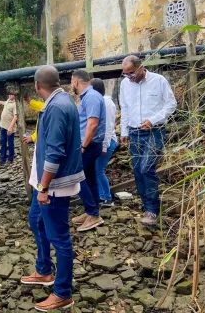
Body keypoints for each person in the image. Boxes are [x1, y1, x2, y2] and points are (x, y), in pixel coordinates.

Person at [21, 65, 84, 311]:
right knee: (35, 221)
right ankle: (44, 270)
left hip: (54, 185)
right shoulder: (58, 101)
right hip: (45, 183)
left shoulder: (57, 107)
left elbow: (56, 151)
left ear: (38, 86)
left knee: (60, 238)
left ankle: (63, 293)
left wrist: (44, 187)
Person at [119, 55, 176, 226]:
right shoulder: (124, 85)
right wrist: (124, 131)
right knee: (137, 171)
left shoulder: (159, 81)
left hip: (154, 131)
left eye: (131, 73)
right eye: (125, 74)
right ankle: (147, 206)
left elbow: (171, 104)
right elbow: (125, 108)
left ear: (141, 67)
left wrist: (154, 119)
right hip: (134, 132)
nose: (129, 77)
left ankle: (152, 209)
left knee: (146, 168)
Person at [71, 70, 106, 232]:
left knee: (78, 178)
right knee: (90, 177)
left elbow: (92, 124)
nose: (72, 85)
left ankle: (93, 214)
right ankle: (91, 211)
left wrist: (83, 146)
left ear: (76, 82)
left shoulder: (91, 97)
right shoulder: (91, 96)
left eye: (72, 82)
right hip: (91, 144)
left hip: (89, 145)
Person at [90, 78, 118, 208]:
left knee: (98, 170)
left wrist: (104, 146)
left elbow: (108, 126)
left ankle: (106, 198)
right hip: (103, 141)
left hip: (107, 141)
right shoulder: (102, 101)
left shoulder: (106, 103)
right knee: (96, 170)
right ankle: (101, 195)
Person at [0, 95, 18, 165]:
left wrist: (10, 127)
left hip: (9, 128)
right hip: (3, 126)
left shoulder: (15, 104)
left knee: (10, 143)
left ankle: (10, 159)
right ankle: (2, 159)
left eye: (12, 94)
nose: (10, 95)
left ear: (15, 95)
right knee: (2, 142)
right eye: (9, 94)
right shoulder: (8, 101)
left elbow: (15, 116)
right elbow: (4, 102)